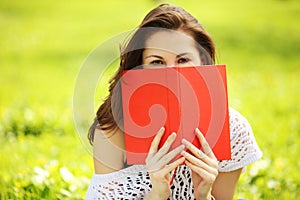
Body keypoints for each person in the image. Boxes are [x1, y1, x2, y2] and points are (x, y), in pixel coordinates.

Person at [86, 4, 262, 200]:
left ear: (203, 62)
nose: (170, 72)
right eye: (157, 62)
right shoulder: (113, 126)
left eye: (183, 60)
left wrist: (203, 195)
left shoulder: (234, 131)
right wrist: (157, 194)